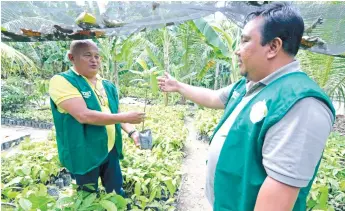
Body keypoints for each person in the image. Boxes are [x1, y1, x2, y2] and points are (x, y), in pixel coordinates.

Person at [158, 3, 335, 211]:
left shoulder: (301, 104)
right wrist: (178, 86)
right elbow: (214, 97)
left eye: (245, 41)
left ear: (273, 47)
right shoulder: (251, 85)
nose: (236, 50)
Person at [49, 40, 145, 196]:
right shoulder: (63, 81)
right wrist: (125, 116)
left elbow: (116, 113)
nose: (94, 60)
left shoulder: (107, 85)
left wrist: (132, 132)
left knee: (115, 190)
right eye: (87, 55)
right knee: (87, 195)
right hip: (83, 150)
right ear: (71, 57)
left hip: (110, 148)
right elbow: (83, 115)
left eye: (97, 56)